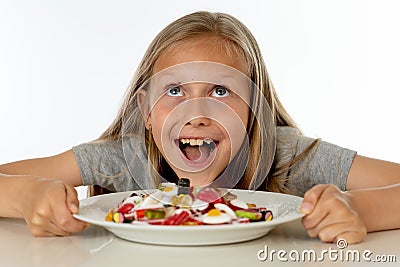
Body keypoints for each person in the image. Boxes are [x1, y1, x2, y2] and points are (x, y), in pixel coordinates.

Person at [0, 11, 399, 244]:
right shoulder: (124, 157)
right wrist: (23, 195)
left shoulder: (289, 157)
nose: (195, 112)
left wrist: (359, 208)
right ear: (147, 110)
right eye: (175, 90)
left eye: (221, 91)